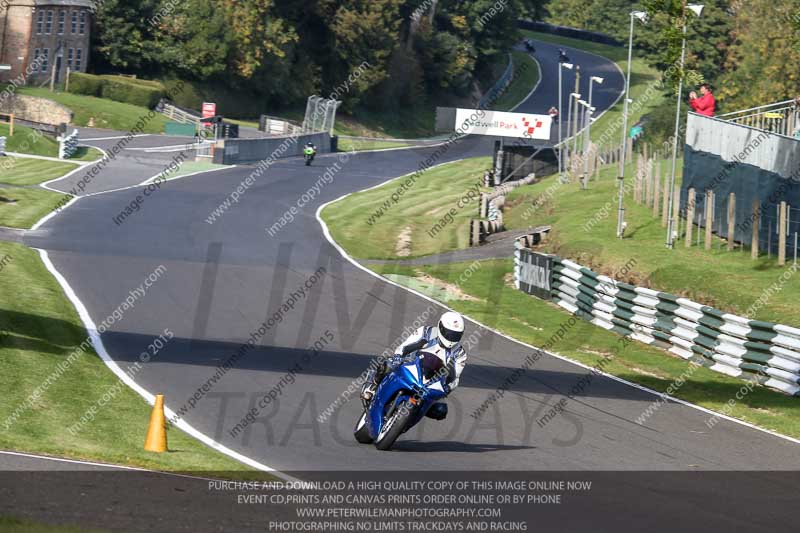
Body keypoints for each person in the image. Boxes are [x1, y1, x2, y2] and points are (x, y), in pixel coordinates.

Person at [361, 311, 468, 421]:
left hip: (431, 382)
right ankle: (373, 385)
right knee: (388, 365)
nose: (451, 338)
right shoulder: (426, 332)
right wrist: (398, 356)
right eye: (449, 334)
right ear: (440, 327)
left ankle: (410, 419)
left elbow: (455, 378)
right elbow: (404, 346)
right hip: (410, 365)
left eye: (456, 335)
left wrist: (448, 387)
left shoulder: (460, 354)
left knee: (441, 410)